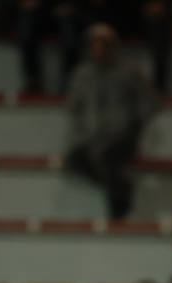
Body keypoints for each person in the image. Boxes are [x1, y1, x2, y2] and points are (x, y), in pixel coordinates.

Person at [64, 23, 157, 220]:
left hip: (122, 136)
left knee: (105, 157)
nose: (98, 50)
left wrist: (135, 126)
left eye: (103, 45)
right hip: (91, 136)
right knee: (74, 160)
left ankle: (118, 210)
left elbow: (148, 104)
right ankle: (121, 188)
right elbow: (74, 108)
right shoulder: (81, 75)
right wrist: (81, 133)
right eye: (94, 45)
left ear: (112, 47)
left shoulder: (131, 72)